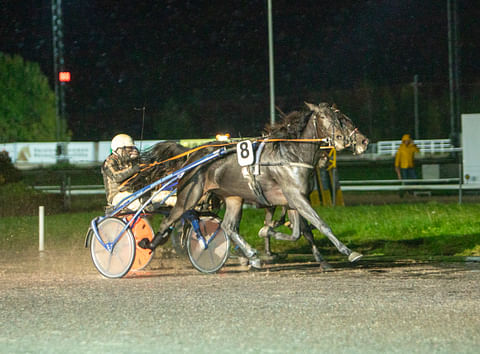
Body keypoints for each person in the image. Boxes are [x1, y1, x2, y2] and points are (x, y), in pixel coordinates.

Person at [102, 134, 142, 211]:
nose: (132, 151)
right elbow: (116, 177)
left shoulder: (129, 161)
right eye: (129, 149)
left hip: (131, 193)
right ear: (119, 149)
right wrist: (133, 169)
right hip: (117, 196)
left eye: (132, 148)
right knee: (142, 203)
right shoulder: (109, 162)